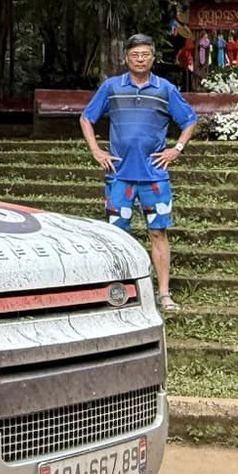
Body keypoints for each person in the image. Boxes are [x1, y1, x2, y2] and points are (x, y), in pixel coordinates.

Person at [80, 34, 198, 314]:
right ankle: (120, 292)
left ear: (153, 58)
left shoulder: (165, 89)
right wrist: (96, 150)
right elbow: (87, 118)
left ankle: (164, 293)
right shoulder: (111, 87)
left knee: (158, 232)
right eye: (135, 55)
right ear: (126, 58)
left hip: (155, 177)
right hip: (119, 176)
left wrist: (176, 149)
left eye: (145, 54)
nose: (140, 59)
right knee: (116, 235)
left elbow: (190, 119)